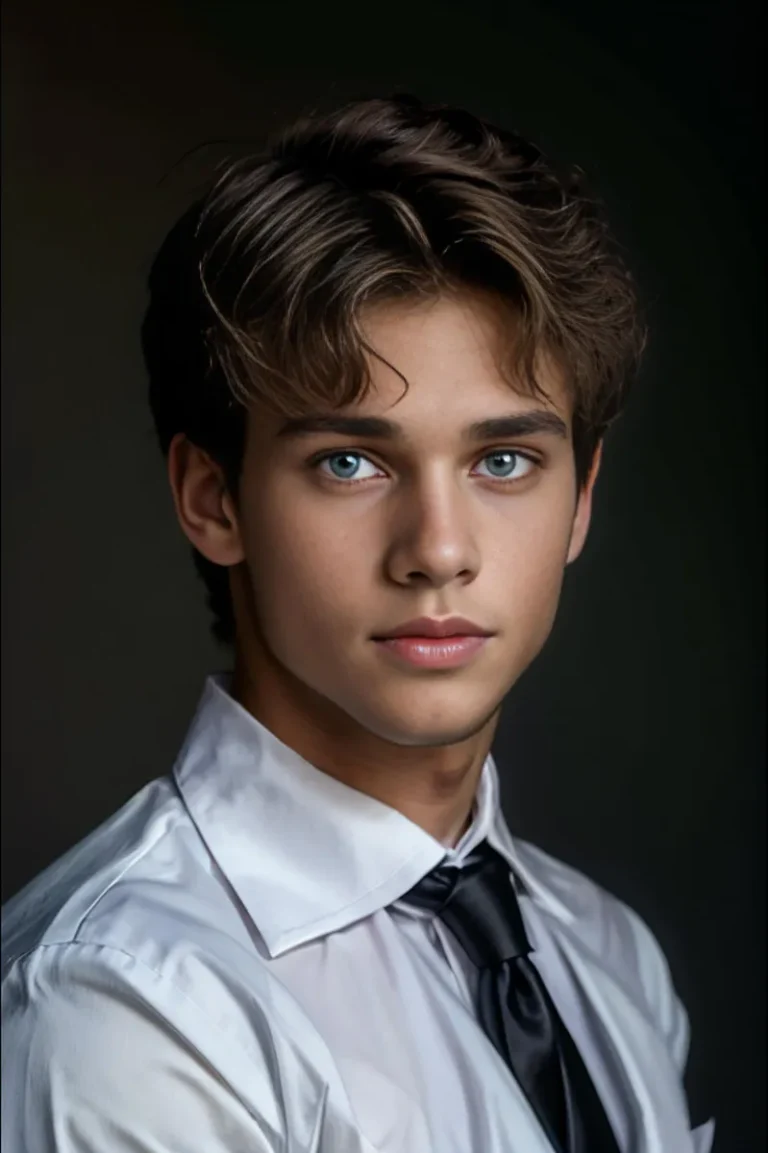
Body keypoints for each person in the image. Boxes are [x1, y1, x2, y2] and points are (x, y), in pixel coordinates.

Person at [1, 94, 715, 1153]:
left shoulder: (610, 956)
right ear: (215, 499)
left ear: (581, 499)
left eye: (503, 461)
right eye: (351, 461)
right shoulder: (122, 1010)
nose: (437, 547)